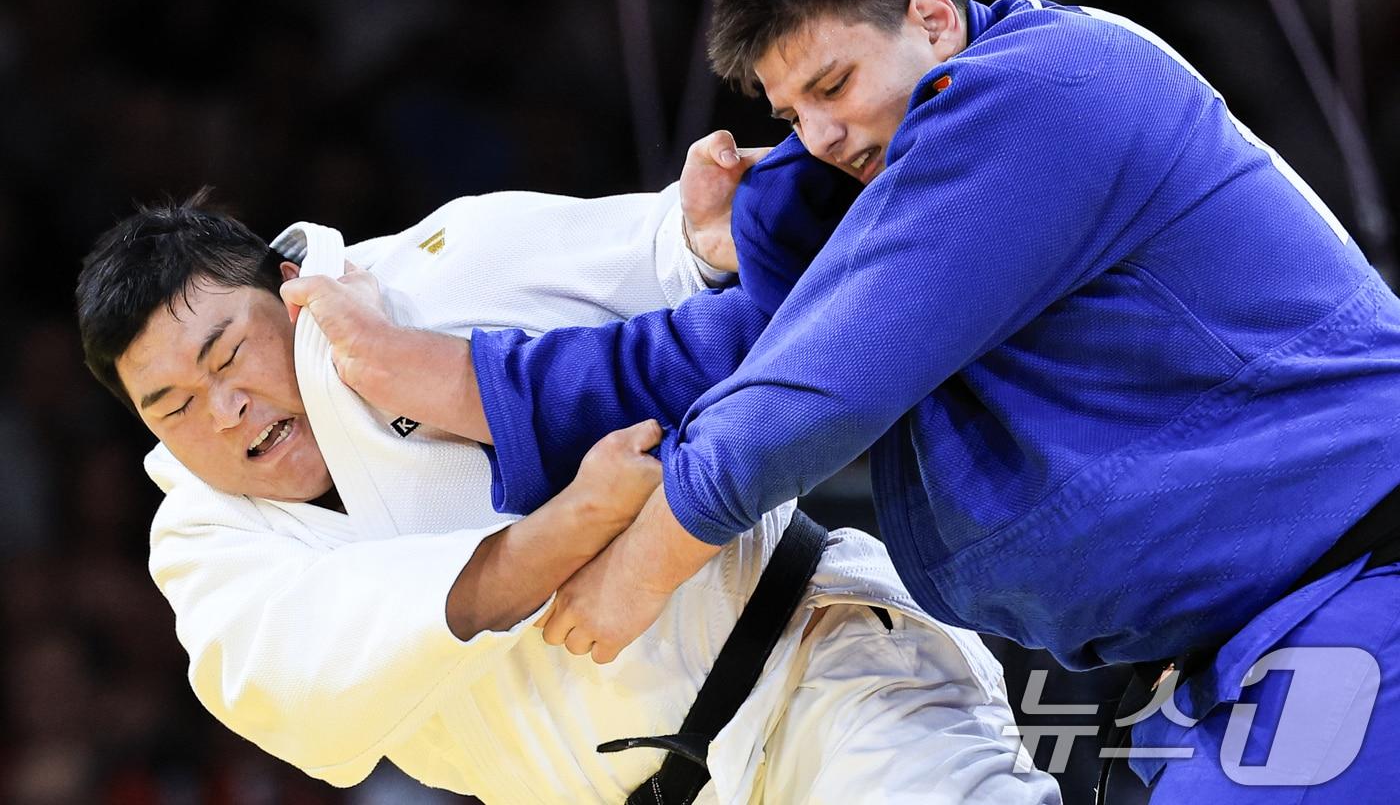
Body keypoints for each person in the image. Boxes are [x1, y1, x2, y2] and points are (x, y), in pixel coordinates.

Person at [465, 0, 1400, 803]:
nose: (821, 135)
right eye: (791, 116)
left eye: (834, 85)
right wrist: (453, 376)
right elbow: (747, 356)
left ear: (933, 19)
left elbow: (817, 390)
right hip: (1230, 654)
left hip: (1358, 584)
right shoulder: (883, 180)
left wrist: (646, 561)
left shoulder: (1052, 82)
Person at [75, 186, 1059, 804]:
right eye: (174, 408)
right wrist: (572, 524)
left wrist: (709, 225)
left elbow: (668, 248)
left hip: (820, 678)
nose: (227, 410)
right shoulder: (203, 544)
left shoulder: (441, 266)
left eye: (228, 353)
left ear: (289, 284)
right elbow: (313, 690)